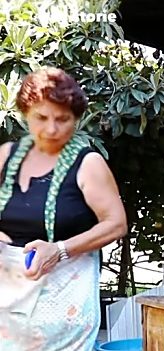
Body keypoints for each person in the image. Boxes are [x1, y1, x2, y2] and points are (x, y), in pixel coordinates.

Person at [0, 67, 127, 350]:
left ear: (76, 119)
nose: (51, 129)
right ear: (25, 114)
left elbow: (117, 223)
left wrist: (59, 250)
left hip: (62, 307)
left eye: (63, 119)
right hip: (7, 302)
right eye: (41, 118)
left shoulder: (88, 163)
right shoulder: (6, 157)